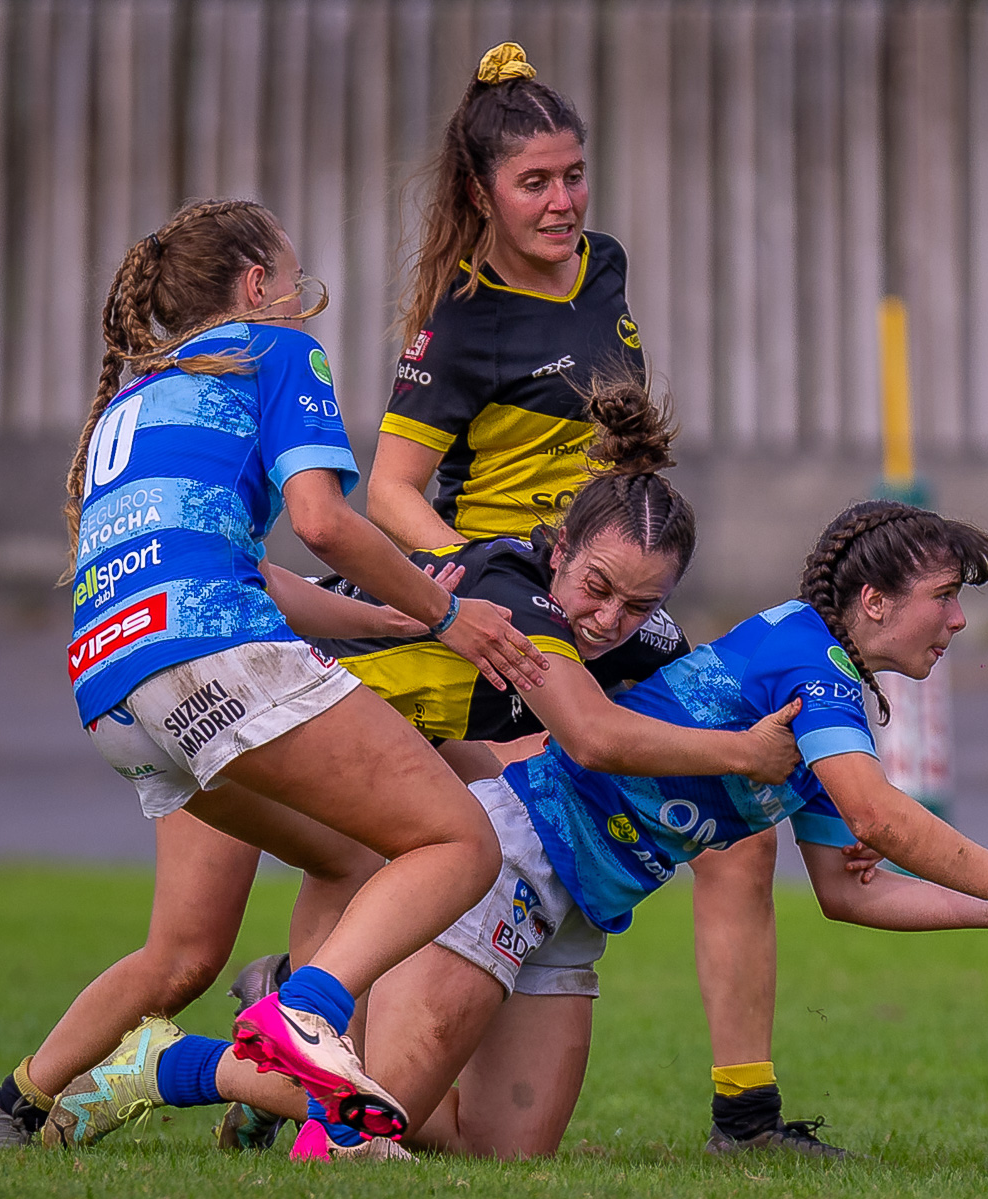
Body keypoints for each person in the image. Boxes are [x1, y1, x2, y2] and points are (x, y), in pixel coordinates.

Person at [66, 500, 988, 1162]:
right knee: (363, 1125)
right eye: (947, 597)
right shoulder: (809, 662)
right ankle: (168, 1063)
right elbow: (884, 818)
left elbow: (852, 887)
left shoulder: (833, 695)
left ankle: (294, 1016)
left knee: (503, 1150)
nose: (959, 619)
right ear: (878, 602)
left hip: (574, 914)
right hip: (512, 859)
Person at [0, 199, 552, 1151]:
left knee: (313, 878)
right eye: (296, 281)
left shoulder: (146, 390)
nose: (302, 300)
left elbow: (249, 566)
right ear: (257, 285)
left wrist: (379, 614)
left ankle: (17, 1106)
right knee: (460, 842)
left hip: (113, 687)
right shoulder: (276, 347)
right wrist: (445, 614)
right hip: (212, 655)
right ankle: (302, 1017)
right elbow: (323, 521)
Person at [360, 39, 833, 1155]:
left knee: (739, 821)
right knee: (503, 800)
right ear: (481, 191)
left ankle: (746, 1113)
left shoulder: (602, 269)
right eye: (535, 182)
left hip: (604, 593)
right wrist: (479, 583)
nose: (564, 201)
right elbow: (387, 490)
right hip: (520, 598)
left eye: (574, 175)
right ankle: (299, 1018)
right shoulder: (464, 318)